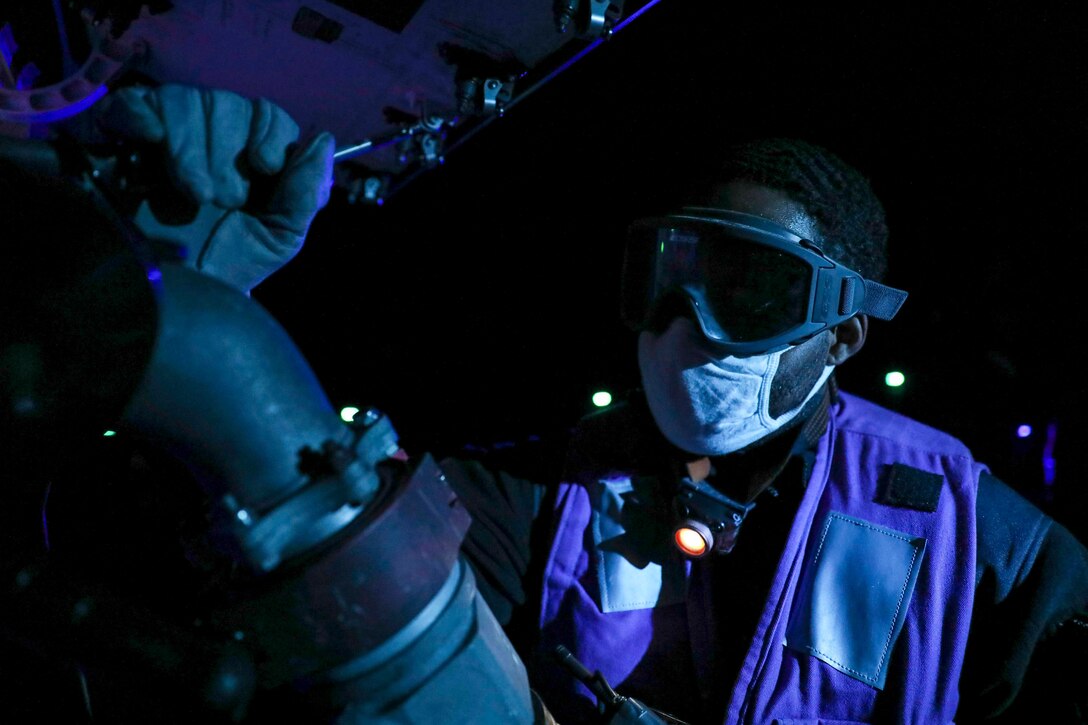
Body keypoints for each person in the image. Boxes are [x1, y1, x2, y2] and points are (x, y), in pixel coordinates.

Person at [29, 85, 1088, 723]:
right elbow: (295, 589)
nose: (685, 325)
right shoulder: (533, 497)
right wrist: (180, 306)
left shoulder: (976, 535)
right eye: (666, 277)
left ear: (843, 333)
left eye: (748, 289)